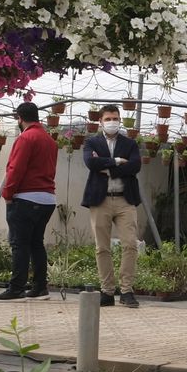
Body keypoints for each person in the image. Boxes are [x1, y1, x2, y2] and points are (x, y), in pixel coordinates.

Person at [0, 102, 58, 303]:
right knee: (36, 243)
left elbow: (16, 169)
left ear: (19, 118)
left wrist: (8, 193)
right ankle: (40, 287)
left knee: (19, 244)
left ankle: (16, 289)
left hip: (26, 198)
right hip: (47, 198)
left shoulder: (26, 138)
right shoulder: (49, 140)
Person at [82, 105, 141, 308]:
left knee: (130, 245)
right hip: (101, 200)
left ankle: (126, 291)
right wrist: (117, 161)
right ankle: (106, 291)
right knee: (102, 247)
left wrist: (108, 168)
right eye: (108, 118)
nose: (112, 122)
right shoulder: (92, 142)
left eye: (115, 118)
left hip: (126, 199)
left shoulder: (130, 143)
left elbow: (135, 166)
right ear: (100, 121)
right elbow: (91, 163)